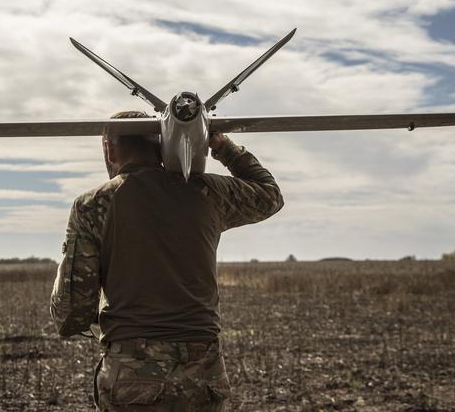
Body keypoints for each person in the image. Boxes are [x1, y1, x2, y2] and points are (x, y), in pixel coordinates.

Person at [50, 110, 284, 410]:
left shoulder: (93, 205)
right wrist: (223, 146)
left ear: (109, 148)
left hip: (132, 374)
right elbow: (270, 196)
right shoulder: (208, 192)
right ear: (161, 144)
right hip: (203, 373)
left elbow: (72, 311)